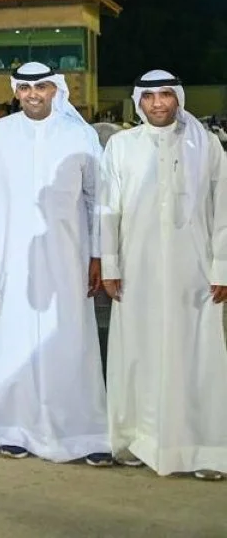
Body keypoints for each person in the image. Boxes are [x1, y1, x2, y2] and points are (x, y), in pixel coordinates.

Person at [0, 61, 111, 466]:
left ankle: (82, 432)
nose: (34, 94)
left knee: (70, 340)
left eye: (42, 88)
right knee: (16, 341)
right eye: (26, 88)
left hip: (69, 256)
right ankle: (13, 429)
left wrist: (98, 255)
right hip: (14, 257)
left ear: (56, 90)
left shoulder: (79, 134)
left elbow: (97, 200)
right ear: (17, 92)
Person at [100, 70, 227, 480]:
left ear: (179, 99)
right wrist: (110, 264)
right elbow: (108, 211)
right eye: (149, 96)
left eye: (165, 95)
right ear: (138, 102)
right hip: (136, 271)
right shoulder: (121, 146)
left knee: (196, 355)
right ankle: (135, 439)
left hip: (193, 271)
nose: (158, 104)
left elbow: (223, 210)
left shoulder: (207, 146)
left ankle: (203, 448)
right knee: (138, 352)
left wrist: (222, 266)